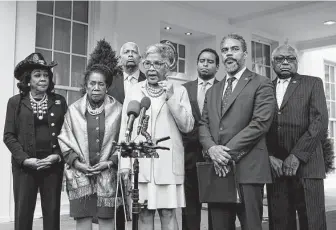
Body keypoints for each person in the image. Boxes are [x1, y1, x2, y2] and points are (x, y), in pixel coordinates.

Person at [199, 33, 275, 230]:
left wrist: (223, 152)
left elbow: (260, 123)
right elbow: (203, 125)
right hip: (217, 171)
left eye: (234, 49)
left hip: (248, 170)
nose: (229, 54)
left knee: (251, 226)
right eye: (225, 50)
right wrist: (211, 150)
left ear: (245, 54)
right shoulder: (213, 90)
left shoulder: (262, 83)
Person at [119, 43, 194, 230]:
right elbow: (125, 128)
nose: (151, 69)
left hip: (167, 163)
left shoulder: (179, 91)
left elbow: (188, 126)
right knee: (144, 213)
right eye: (148, 64)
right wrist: (125, 164)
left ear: (168, 66)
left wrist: (171, 98)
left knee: (168, 213)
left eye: (157, 64)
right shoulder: (134, 90)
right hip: (141, 163)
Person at [58, 40, 128, 230]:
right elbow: (64, 139)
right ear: (86, 86)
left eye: (101, 84)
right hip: (80, 173)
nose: (96, 87)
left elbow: (124, 141)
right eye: (92, 84)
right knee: (83, 219)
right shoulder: (73, 111)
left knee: (106, 220)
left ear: (107, 87)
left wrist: (110, 161)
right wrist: (77, 163)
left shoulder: (119, 110)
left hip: (108, 173)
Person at [266, 43, 328, 230]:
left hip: (307, 166)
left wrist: (297, 155)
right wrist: (268, 156)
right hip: (276, 168)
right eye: (280, 59)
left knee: (312, 222)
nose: (285, 63)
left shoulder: (312, 83)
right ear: (272, 63)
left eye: (290, 59)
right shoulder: (264, 88)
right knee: (279, 223)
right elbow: (258, 125)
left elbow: (320, 121)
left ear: (296, 62)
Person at [3, 53, 67, 230]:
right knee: (23, 214)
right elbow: (8, 135)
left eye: (46, 75)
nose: (43, 79)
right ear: (28, 80)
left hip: (51, 165)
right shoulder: (15, 102)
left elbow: (66, 134)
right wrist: (24, 159)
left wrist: (57, 156)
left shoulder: (59, 101)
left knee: (52, 213)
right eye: (37, 75)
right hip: (25, 167)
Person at [181, 48, 219, 230]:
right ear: (196, 64)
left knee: (217, 208)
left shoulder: (224, 88)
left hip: (216, 155)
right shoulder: (184, 89)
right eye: (202, 60)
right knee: (190, 208)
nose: (205, 64)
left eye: (210, 61)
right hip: (189, 156)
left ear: (217, 67)